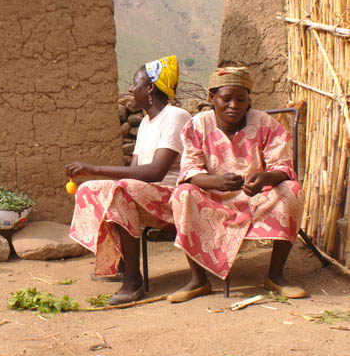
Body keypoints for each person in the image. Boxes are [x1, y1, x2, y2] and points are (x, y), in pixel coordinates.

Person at [168, 66, 306, 303]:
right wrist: (216, 182)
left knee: (291, 190)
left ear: (248, 100)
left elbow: (283, 166)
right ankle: (198, 280)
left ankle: (275, 276)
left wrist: (265, 178)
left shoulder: (265, 124)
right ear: (212, 98)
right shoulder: (197, 125)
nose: (234, 105)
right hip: (212, 198)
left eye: (240, 99)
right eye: (226, 98)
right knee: (183, 194)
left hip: (256, 198)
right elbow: (189, 170)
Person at [67, 56, 191, 305]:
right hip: (144, 194)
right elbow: (133, 170)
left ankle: (133, 281)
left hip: (171, 198)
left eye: (135, 84)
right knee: (92, 189)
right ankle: (121, 261)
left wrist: (95, 168)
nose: (130, 89)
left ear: (150, 89)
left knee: (120, 191)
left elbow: (156, 172)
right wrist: (94, 177)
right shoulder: (146, 122)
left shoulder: (175, 116)